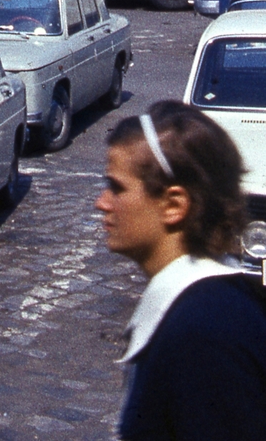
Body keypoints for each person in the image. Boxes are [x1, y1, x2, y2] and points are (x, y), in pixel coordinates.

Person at [96, 99, 266, 441]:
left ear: (173, 205)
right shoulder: (213, 305)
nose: (102, 202)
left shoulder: (202, 335)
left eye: (117, 188)